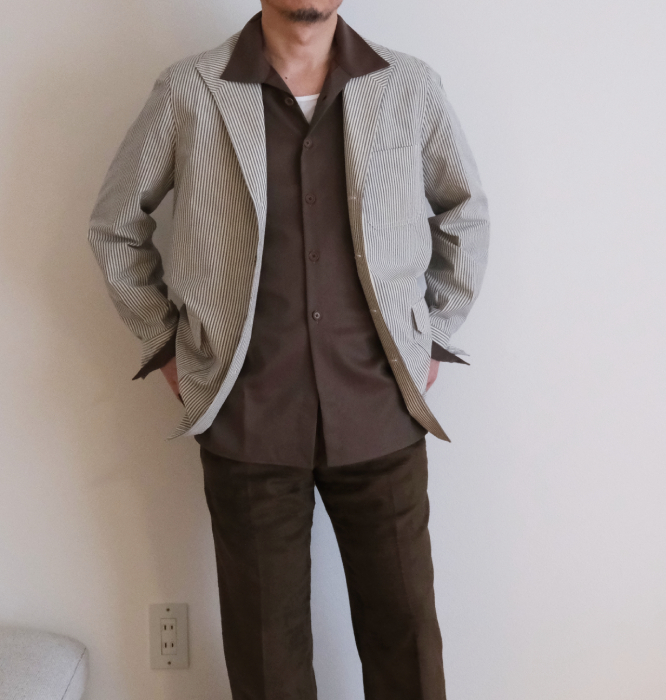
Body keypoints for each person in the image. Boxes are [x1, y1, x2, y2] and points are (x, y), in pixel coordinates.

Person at [88, 0, 489, 697]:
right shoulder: (190, 91)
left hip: (381, 412)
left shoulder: (408, 85)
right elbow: (115, 226)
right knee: (267, 663)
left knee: (407, 645)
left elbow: (465, 212)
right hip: (248, 419)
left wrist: (432, 332)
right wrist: (167, 346)